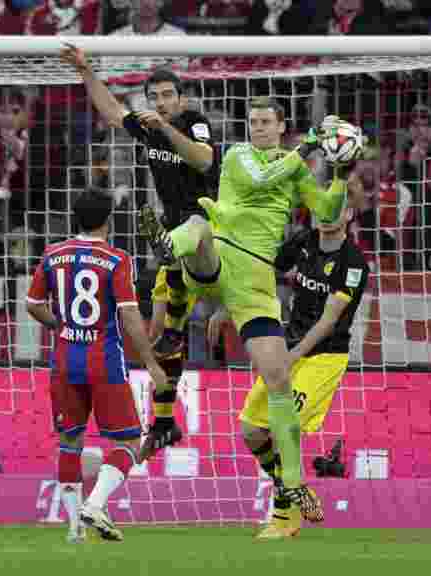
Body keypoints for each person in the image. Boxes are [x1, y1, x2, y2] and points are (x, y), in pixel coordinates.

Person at [138, 97, 351, 524]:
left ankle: (292, 482)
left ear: (281, 125)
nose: (258, 128)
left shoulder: (295, 171)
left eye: (266, 122)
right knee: (198, 226)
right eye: (253, 122)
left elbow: (327, 211)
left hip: (254, 283)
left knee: (278, 377)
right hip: (220, 262)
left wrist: (341, 168)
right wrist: (310, 145)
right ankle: (167, 246)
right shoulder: (238, 155)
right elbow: (259, 181)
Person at [61, 45, 216, 460]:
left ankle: (172, 252)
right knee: (161, 335)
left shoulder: (193, 123)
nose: (162, 103)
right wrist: (85, 71)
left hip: (208, 229)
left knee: (193, 239)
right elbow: (112, 112)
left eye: (168, 95)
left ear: (180, 97)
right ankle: (164, 424)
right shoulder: (147, 126)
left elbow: (203, 161)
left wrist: (165, 129)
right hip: (171, 235)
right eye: (156, 97)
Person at [207, 194, 368, 539]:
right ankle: (293, 486)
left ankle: (283, 518)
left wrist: (293, 357)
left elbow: (329, 321)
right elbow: (264, 270)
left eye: (336, 209)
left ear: (350, 214)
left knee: (282, 426)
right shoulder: (303, 240)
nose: (327, 215)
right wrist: (229, 306)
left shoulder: (353, 263)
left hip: (323, 356)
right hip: (288, 346)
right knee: (251, 429)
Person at [26, 188, 168, 543]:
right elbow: (130, 314)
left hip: (63, 361)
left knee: (69, 440)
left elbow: (32, 304)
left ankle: (74, 529)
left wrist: (59, 325)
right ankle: (96, 503)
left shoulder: (52, 254)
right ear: (108, 220)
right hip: (103, 362)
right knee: (130, 442)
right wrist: (150, 362)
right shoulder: (116, 259)